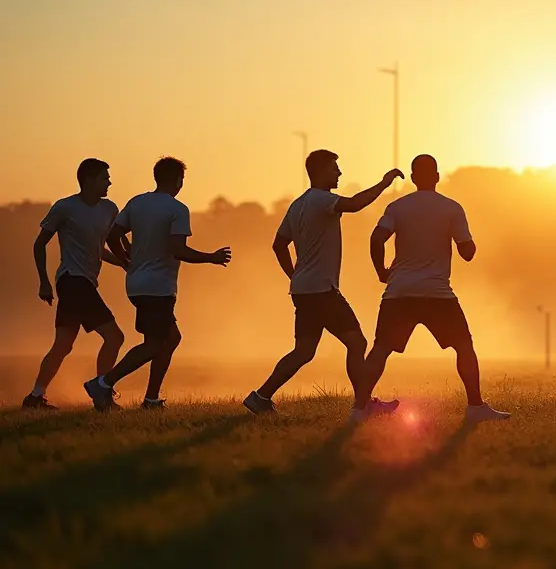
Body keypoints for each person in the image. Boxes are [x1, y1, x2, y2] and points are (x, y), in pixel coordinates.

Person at [243, 150, 404, 415]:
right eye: (334, 168)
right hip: (322, 290)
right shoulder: (321, 200)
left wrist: (294, 275)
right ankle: (363, 405)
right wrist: (384, 183)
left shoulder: (298, 204)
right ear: (319, 172)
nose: (339, 173)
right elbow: (353, 204)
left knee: (304, 350)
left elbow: (278, 244)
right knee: (357, 343)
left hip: (304, 290)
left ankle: (260, 397)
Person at [358, 154, 511, 422]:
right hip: (437, 293)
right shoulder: (452, 208)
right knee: (464, 346)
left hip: (399, 291)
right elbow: (467, 252)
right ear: (437, 177)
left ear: (413, 178)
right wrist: (469, 243)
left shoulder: (397, 207)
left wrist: (381, 272)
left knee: (381, 348)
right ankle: (475, 407)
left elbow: (376, 238)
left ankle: (358, 411)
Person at [83, 157, 231, 411]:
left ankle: (151, 399)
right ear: (177, 180)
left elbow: (113, 236)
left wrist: (126, 258)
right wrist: (212, 258)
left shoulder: (137, 202)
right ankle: (104, 382)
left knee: (170, 338)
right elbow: (178, 250)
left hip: (137, 284)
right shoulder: (177, 209)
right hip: (157, 287)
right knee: (154, 344)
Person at [23, 159, 127, 409]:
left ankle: (35, 397)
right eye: (104, 178)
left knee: (63, 345)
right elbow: (39, 244)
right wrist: (44, 282)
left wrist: (125, 263)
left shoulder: (110, 209)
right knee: (114, 337)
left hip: (85, 282)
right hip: (72, 281)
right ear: (88, 180)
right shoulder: (65, 208)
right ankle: (103, 394)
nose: (109, 182)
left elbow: (99, 249)